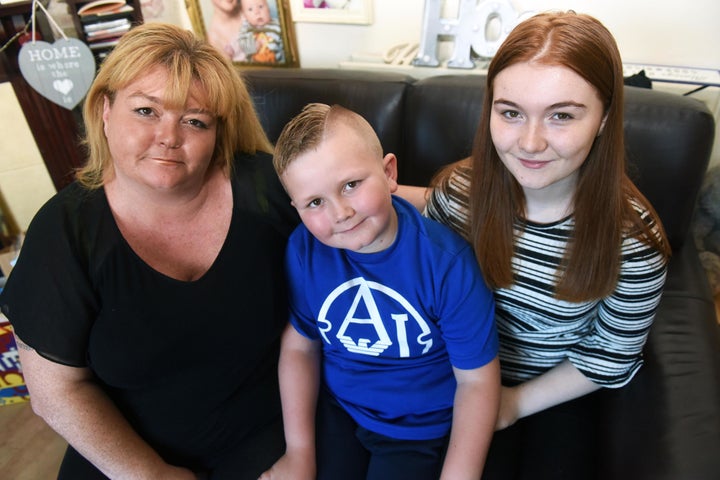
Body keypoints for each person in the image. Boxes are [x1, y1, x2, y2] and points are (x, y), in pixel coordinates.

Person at [0, 22, 298, 479]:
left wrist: (445, 192)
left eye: (195, 120)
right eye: (146, 111)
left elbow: (366, 200)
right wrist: (150, 475)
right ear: (104, 109)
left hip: (272, 437)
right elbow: (56, 392)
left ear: (219, 132)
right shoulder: (64, 232)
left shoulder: (265, 187)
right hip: (126, 453)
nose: (169, 136)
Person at [412, 10, 671, 479]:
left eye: (561, 116)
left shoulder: (633, 241)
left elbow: (609, 354)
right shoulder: (458, 196)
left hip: (555, 389)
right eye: (511, 112)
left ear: (604, 118)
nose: (530, 143)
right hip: (455, 376)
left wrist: (512, 403)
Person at [261, 103, 501, 480]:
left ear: (389, 173)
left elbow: (477, 382)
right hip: (340, 408)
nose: (340, 212)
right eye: (315, 202)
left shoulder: (446, 263)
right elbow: (299, 346)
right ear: (297, 208)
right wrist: (299, 452)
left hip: (417, 429)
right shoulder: (304, 251)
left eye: (351, 185)